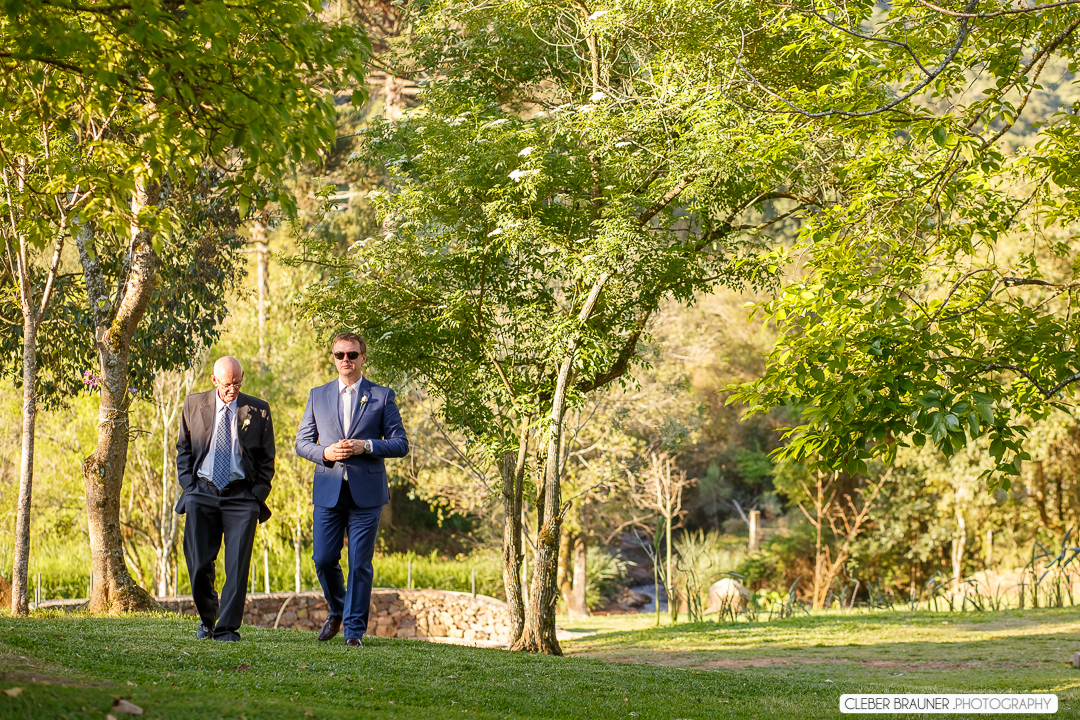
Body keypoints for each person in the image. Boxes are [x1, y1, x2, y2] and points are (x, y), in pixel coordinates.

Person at [295, 332, 408, 647]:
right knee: (323, 558)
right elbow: (302, 443)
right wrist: (325, 453)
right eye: (339, 355)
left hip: (367, 494)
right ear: (333, 358)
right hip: (329, 489)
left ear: (363, 357)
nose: (345, 360)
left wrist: (366, 445)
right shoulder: (318, 395)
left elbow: (401, 444)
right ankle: (338, 609)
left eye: (352, 355)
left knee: (360, 561)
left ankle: (354, 632)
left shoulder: (382, 396)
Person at [175, 356, 275, 641]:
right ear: (215, 380)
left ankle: (227, 627)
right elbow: (183, 449)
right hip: (201, 492)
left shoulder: (259, 410)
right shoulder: (194, 404)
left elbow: (267, 459)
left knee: (237, 566)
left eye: (238, 383)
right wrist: (188, 485)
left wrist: (257, 497)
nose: (233, 390)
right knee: (198, 563)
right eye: (228, 384)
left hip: (241, 495)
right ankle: (207, 620)